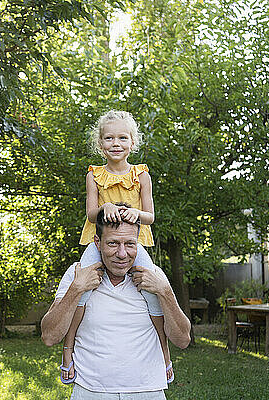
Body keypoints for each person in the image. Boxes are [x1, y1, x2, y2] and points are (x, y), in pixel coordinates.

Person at [60, 110, 173, 385]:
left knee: (153, 292)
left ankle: (165, 353)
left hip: (135, 242)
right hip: (98, 243)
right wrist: (105, 208)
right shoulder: (95, 175)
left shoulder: (141, 175)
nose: (116, 143)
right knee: (82, 288)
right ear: (100, 144)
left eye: (122, 137)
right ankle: (67, 351)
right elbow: (90, 214)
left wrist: (135, 214)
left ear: (132, 142)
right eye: (109, 138)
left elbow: (150, 216)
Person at [41, 210, 191, 399]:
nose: (122, 254)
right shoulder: (77, 274)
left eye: (130, 244)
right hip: (90, 392)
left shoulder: (153, 276)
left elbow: (183, 340)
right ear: (97, 243)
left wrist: (164, 291)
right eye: (112, 243)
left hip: (148, 392)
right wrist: (77, 288)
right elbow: (49, 336)